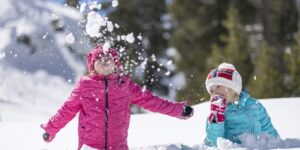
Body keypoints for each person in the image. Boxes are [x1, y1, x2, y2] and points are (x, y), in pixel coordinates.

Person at [41, 45, 194, 150]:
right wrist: (51, 129)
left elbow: (151, 101)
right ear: (92, 66)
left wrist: (178, 110)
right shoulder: (84, 87)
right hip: (90, 146)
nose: (104, 62)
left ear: (116, 64)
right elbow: (66, 110)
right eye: (99, 60)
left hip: (118, 146)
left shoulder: (124, 85)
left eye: (109, 59)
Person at [204, 62, 279, 146]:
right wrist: (217, 119)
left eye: (218, 86)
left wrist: (278, 143)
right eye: (211, 91)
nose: (215, 93)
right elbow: (213, 142)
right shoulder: (214, 115)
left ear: (232, 88)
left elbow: (268, 129)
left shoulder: (254, 105)